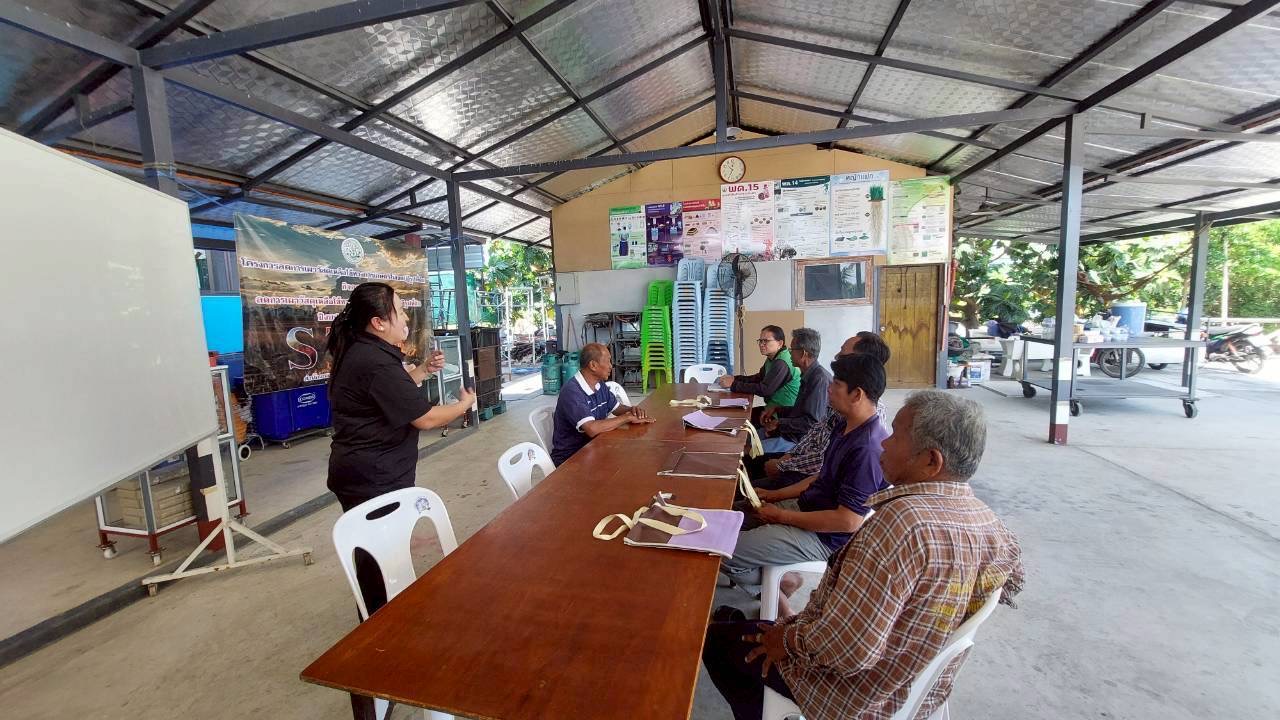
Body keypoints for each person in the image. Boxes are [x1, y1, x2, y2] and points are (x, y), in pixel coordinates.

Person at [702, 390, 1025, 720]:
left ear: (931, 461)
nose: (885, 443)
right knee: (739, 625)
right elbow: (1010, 583)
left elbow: (848, 648)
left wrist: (786, 640)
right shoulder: (992, 525)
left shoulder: (900, 526)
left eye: (896, 435)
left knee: (716, 643)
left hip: (857, 692)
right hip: (920, 681)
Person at [324, 282, 475, 720]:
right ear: (378, 322)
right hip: (370, 477)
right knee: (375, 578)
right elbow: (424, 417)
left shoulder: (369, 354)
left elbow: (394, 394)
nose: (406, 319)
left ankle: (383, 649)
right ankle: (373, 674)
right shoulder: (372, 359)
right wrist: (464, 406)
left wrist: (423, 370)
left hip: (372, 473)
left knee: (381, 571)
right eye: (399, 312)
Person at [719, 353, 889, 598]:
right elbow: (820, 476)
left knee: (722, 549)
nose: (829, 389)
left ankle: (782, 582)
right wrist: (775, 496)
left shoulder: (867, 449)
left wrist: (781, 516)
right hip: (806, 507)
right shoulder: (845, 425)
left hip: (823, 536)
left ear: (857, 394)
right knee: (728, 518)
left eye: (836, 384)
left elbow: (848, 521)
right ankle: (772, 577)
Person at [755, 331, 891, 486]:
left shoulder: (864, 417)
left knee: (749, 467)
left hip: (805, 471)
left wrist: (782, 466)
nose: (837, 356)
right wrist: (785, 459)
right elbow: (815, 433)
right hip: (800, 460)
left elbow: (822, 463)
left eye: (843, 353)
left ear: (863, 362)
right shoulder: (842, 404)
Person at [550, 342, 653, 465]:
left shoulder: (599, 385)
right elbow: (592, 428)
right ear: (593, 365)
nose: (611, 366)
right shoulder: (572, 391)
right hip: (571, 458)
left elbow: (617, 408)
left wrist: (632, 410)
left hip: (594, 447)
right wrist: (626, 417)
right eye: (608, 361)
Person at [757, 328, 829, 455]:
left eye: (792, 350)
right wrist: (778, 409)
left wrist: (779, 423)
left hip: (799, 441)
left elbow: (812, 424)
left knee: (748, 450)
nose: (789, 353)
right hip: (790, 433)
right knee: (748, 438)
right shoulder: (809, 374)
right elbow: (801, 412)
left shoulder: (819, 379)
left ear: (803, 353)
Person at [718, 325, 801, 420]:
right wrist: (735, 378)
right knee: (738, 414)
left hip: (783, 415)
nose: (761, 344)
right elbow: (759, 378)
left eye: (766, 341)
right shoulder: (773, 358)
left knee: (740, 419)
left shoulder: (781, 362)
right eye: (760, 341)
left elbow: (765, 390)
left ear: (780, 343)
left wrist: (733, 384)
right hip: (772, 409)